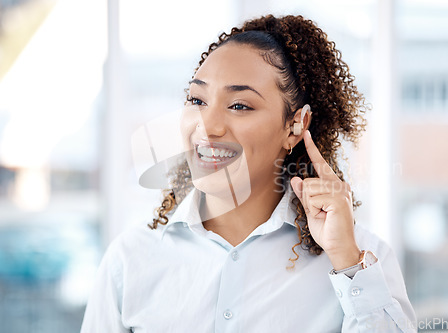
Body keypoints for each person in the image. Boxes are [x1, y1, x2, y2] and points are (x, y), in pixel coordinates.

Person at [81, 14, 417, 333]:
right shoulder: (131, 258)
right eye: (197, 100)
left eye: (240, 105)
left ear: (295, 126)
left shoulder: (361, 259)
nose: (207, 126)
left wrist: (346, 260)